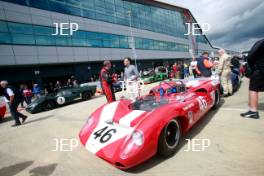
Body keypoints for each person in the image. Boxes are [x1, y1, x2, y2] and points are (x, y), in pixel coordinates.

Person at [241, 39, 264, 119]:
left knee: (253, 89)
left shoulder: (261, 42)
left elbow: (251, 56)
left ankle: (253, 111)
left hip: (260, 69)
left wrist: (251, 67)